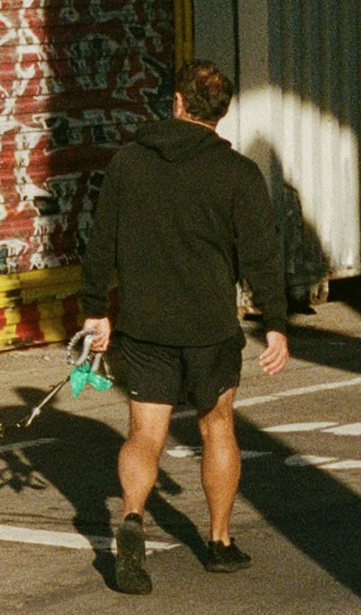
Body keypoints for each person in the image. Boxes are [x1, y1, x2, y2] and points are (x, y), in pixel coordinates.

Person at [82, 58, 291, 594]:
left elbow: (102, 240)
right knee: (216, 427)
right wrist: (275, 323)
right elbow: (261, 257)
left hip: (145, 324)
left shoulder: (130, 162)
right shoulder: (238, 173)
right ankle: (219, 542)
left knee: (144, 434)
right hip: (209, 328)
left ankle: (132, 518)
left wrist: (96, 309)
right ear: (221, 114)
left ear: (176, 102)